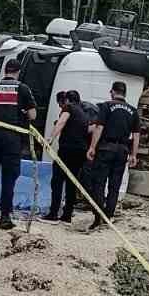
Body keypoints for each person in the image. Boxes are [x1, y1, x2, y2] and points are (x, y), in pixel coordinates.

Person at [0, 58, 37, 229]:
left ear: (5, 71)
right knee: (9, 178)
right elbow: (33, 115)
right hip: (13, 138)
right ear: (18, 72)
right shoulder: (23, 89)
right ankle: (4, 217)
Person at [84, 80, 140, 230]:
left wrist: (92, 147)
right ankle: (108, 217)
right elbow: (136, 135)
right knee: (114, 186)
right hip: (122, 151)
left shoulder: (107, 106)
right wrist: (133, 155)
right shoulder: (133, 111)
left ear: (113, 92)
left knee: (99, 184)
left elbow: (99, 128)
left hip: (105, 149)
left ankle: (98, 217)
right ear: (125, 94)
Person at [43, 90, 92, 222]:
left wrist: (51, 138)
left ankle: (53, 213)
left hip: (67, 150)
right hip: (80, 151)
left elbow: (61, 122)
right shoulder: (83, 113)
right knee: (71, 183)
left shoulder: (69, 108)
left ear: (67, 100)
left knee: (57, 181)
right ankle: (67, 215)